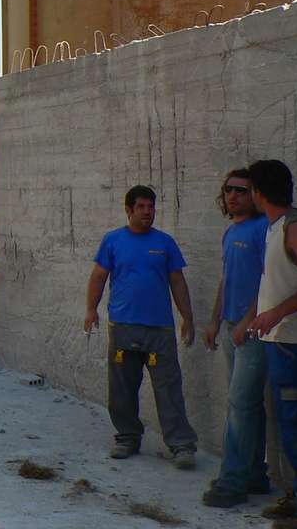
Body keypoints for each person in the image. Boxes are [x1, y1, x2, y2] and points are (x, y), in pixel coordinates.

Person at [84, 184, 198, 468]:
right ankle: (127, 437)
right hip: (123, 327)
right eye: (142, 207)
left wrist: (187, 317)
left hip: (159, 329)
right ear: (129, 210)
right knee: (122, 388)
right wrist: (91, 310)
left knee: (168, 388)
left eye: (151, 207)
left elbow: (177, 281)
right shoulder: (113, 241)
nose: (148, 212)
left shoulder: (165, 243)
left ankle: (181, 445)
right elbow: (98, 276)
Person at [201, 167, 274, 507]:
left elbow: (269, 280)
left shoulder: (263, 230)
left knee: (239, 405)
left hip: (254, 331)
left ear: (254, 195)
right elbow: (226, 279)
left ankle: (231, 483)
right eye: (229, 189)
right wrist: (215, 321)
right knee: (249, 406)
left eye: (242, 190)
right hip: (232, 328)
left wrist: (247, 321)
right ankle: (255, 474)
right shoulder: (231, 232)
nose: (233, 195)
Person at [247, 159, 297, 529]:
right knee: (289, 429)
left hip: (294, 346)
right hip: (281, 345)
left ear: (259, 192)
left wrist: (276, 313)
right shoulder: (276, 227)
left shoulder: (294, 227)